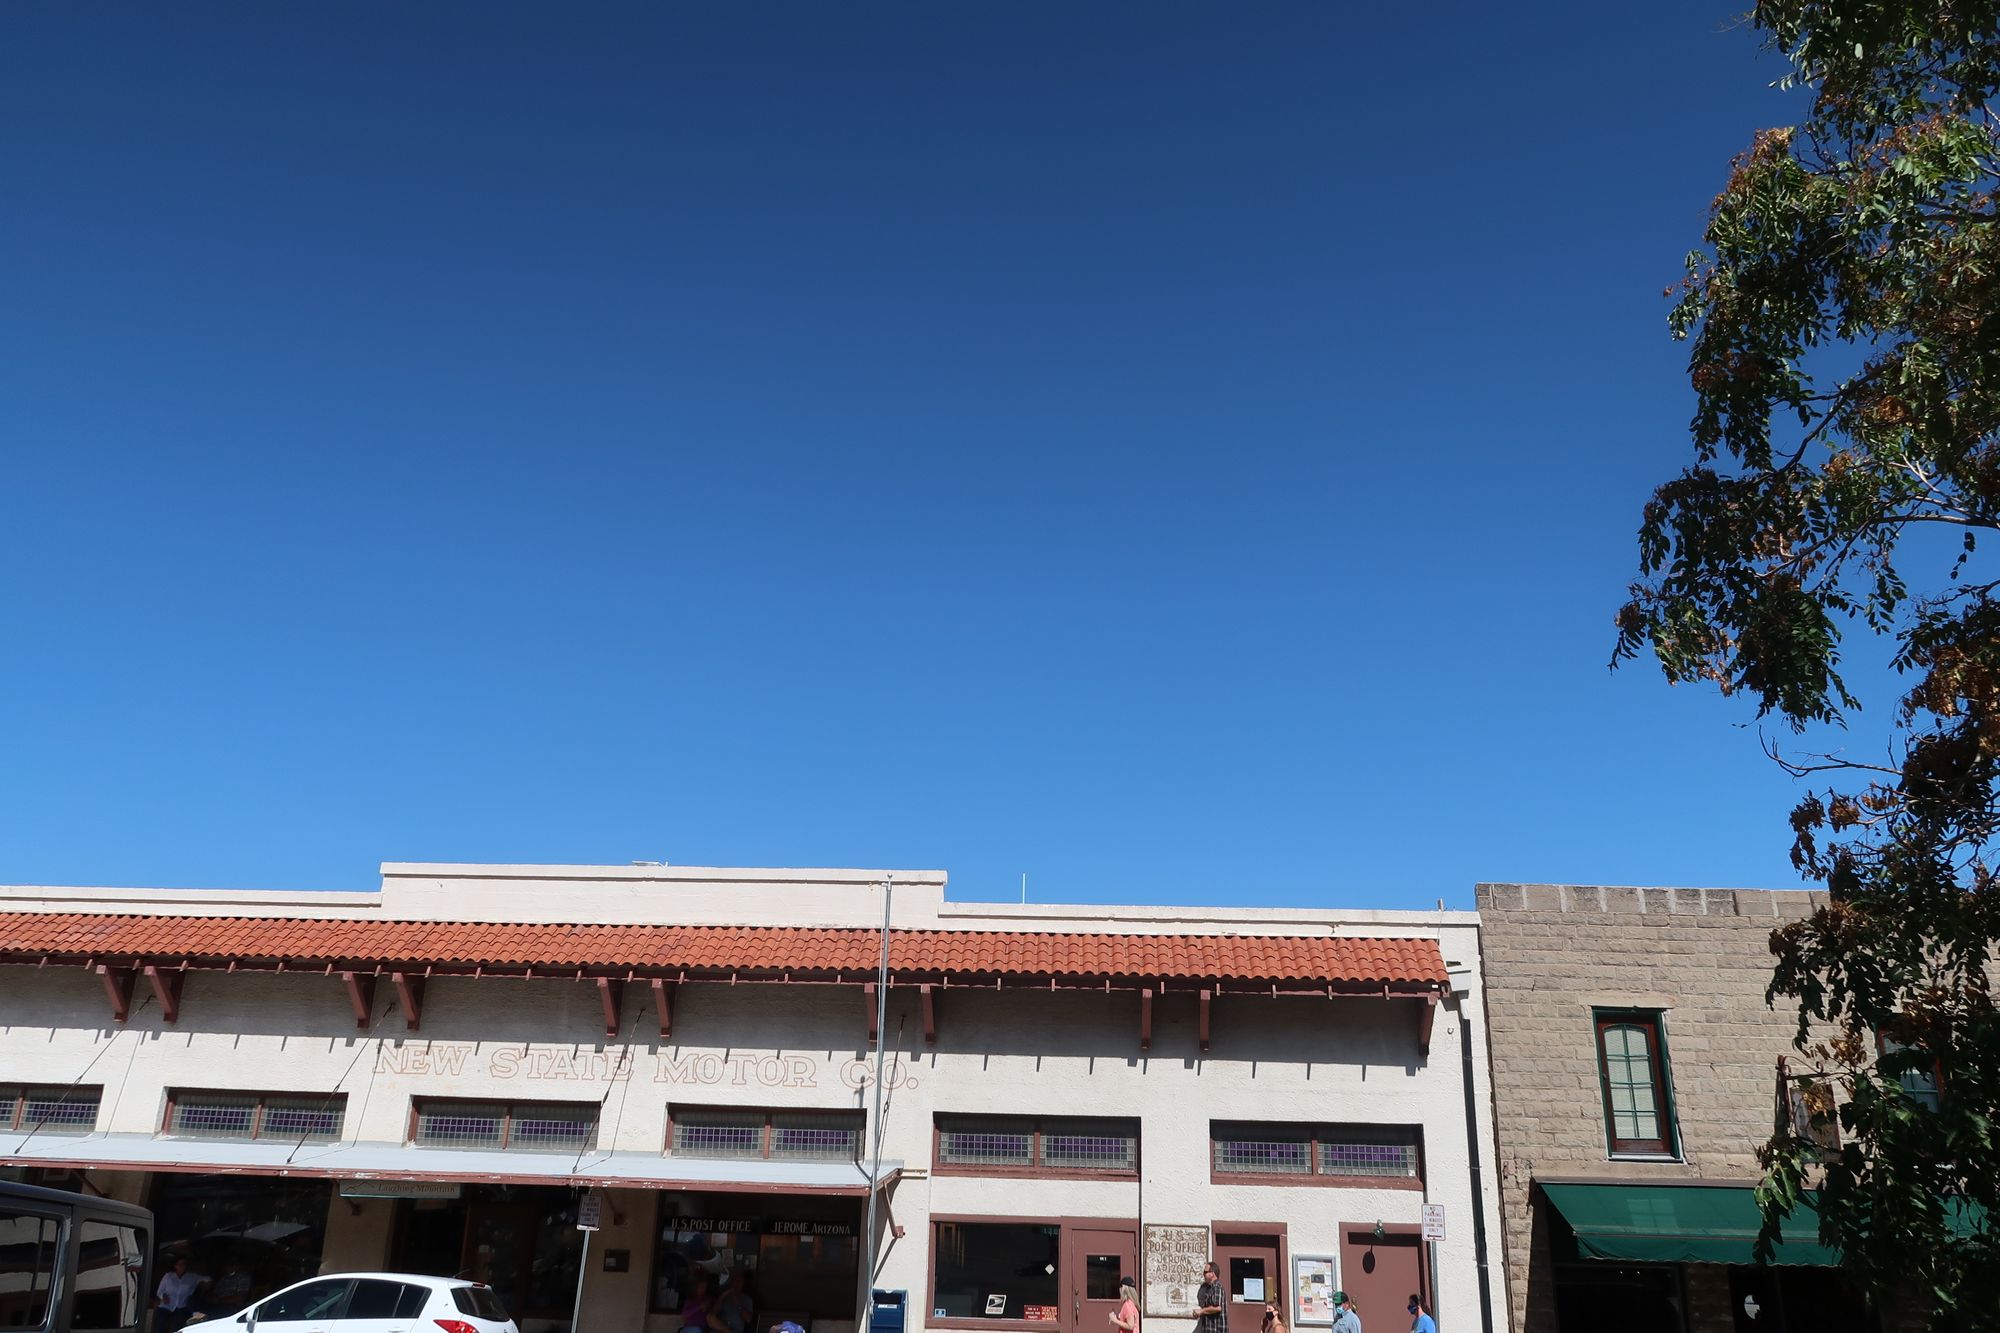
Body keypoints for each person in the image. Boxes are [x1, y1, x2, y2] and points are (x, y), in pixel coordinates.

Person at [153, 1256, 207, 1333]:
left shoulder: (192, 1277)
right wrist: (163, 1296)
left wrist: (206, 1285)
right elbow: (159, 1292)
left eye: (183, 1264)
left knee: (177, 1326)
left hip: (181, 1306)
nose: (182, 1266)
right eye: (179, 1264)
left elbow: (207, 1278)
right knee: (160, 1323)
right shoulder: (168, 1276)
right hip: (166, 1306)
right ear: (175, 1266)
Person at [1195, 1263, 1225, 1333]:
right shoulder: (1209, 1288)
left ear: (1212, 1274)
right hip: (1209, 1329)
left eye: (1205, 1272)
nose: (1203, 1274)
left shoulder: (1217, 1287)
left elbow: (1218, 1307)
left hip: (1216, 1329)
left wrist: (1201, 1311)